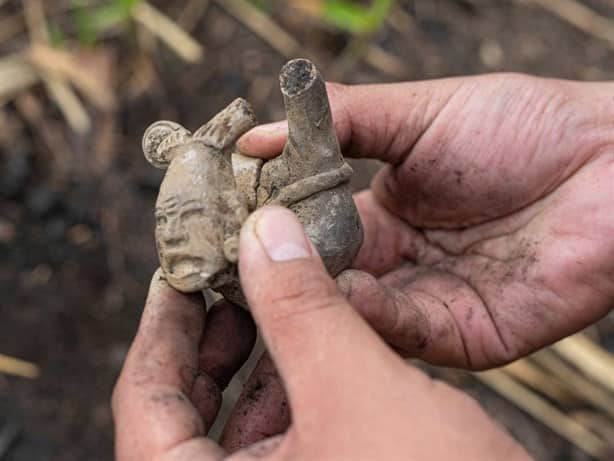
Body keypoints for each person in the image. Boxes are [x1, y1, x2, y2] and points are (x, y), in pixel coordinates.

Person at [112, 73, 614, 460]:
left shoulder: (221, 172)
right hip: (287, 222)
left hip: (305, 215)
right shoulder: (202, 177)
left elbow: (239, 125)